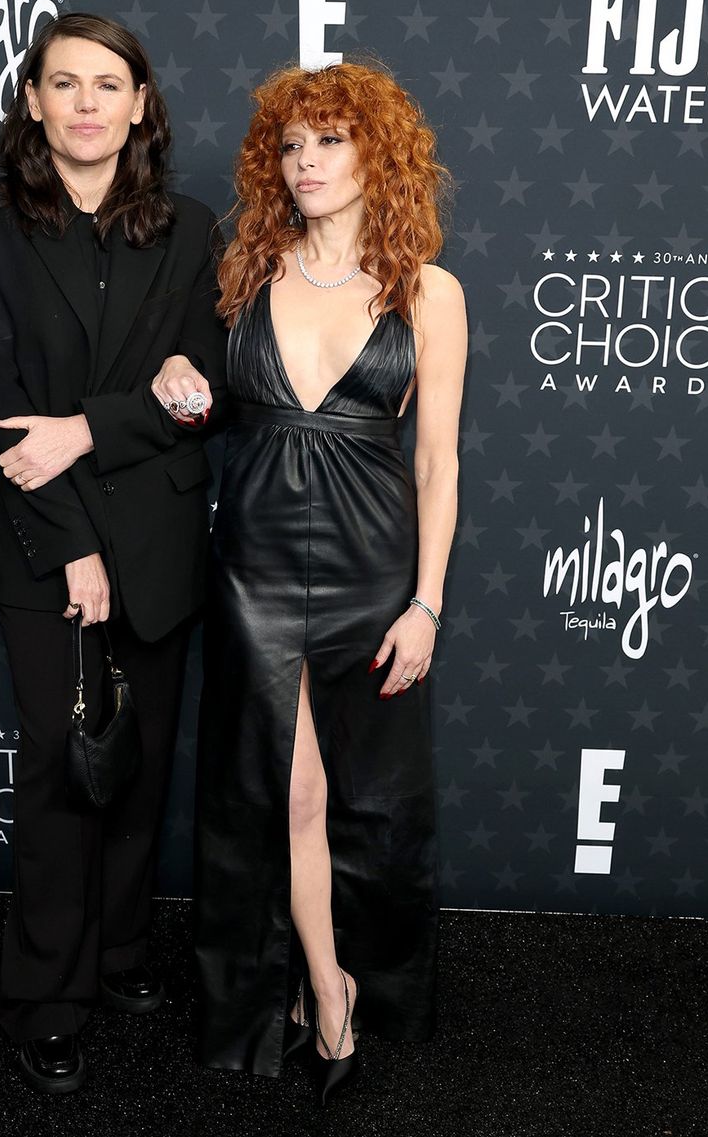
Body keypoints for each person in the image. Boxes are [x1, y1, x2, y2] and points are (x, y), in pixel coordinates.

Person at [0, 13, 226, 1095]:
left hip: (158, 539)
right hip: (43, 542)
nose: (88, 103)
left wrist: (100, 424)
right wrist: (71, 551)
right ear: (33, 102)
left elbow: (202, 389)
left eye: (109, 84)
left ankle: (112, 955)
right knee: (64, 772)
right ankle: (45, 994)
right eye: (65, 84)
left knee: (137, 770)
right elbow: (1, 409)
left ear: (140, 104)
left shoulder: (191, 227)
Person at [188, 61, 466, 1101]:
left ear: (376, 154)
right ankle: (325, 991)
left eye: (329, 141)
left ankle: (341, 985)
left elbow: (435, 459)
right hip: (253, 566)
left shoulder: (428, 292)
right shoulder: (243, 275)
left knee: (362, 800)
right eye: (290, 146)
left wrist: (426, 600)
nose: (305, 163)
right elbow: (186, 387)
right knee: (289, 792)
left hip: (368, 568)